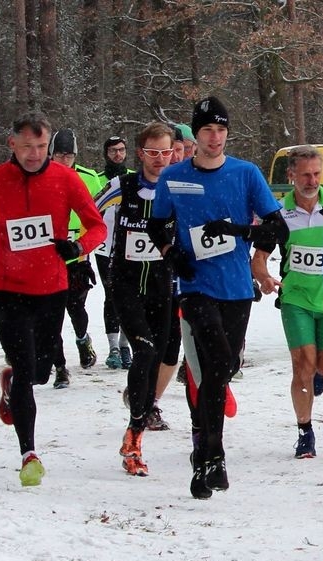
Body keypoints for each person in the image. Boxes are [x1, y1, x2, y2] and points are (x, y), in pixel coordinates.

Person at [0, 111, 106, 486]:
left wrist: (77, 247)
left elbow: (98, 225)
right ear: (11, 144)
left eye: (41, 146)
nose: (35, 154)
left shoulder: (66, 179)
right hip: (7, 287)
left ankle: (14, 382)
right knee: (22, 363)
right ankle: (28, 453)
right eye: (27, 146)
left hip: (52, 287)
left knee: (38, 372)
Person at [148, 96, 287, 499]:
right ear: (196, 134)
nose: (214, 138)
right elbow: (158, 225)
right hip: (195, 288)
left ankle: (203, 451)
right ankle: (216, 454)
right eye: (207, 130)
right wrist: (172, 255)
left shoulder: (246, 174)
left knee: (216, 373)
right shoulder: (173, 177)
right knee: (217, 363)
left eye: (221, 131)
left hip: (237, 289)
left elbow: (277, 231)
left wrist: (237, 232)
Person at [252, 145, 323, 459]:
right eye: (305, 174)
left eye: (317, 174)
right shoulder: (279, 215)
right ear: (291, 175)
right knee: (301, 366)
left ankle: (319, 371)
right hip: (296, 299)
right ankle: (305, 431)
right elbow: (259, 258)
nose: (312, 180)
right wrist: (264, 278)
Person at [95, 122, 179, 476]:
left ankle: (137, 427)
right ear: (140, 153)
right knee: (143, 351)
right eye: (153, 152)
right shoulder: (121, 187)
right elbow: (88, 214)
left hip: (162, 286)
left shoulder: (178, 187)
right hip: (126, 284)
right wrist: (88, 247)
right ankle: (134, 437)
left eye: (166, 152)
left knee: (156, 357)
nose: (160, 160)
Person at [46, 129, 99, 387]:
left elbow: (100, 219)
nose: (63, 160)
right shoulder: (40, 178)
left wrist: (82, 247)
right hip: (49, 259)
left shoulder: (89, 179)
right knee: (52, 316)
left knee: (76, 309)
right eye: (58, 155)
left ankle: (82, 338)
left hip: (78, 256)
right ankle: (60, 368)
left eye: (68, 155)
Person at [96, 135, 134, 370]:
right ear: (106, 154)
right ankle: (112, 347)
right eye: (112, 151)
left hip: (128, 245)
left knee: (129, 296)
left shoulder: (133, 178)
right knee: (110, 294)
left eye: (121, 150)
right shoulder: (97, 179)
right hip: (103, 245)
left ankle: (124, 345)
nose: (117, 155)